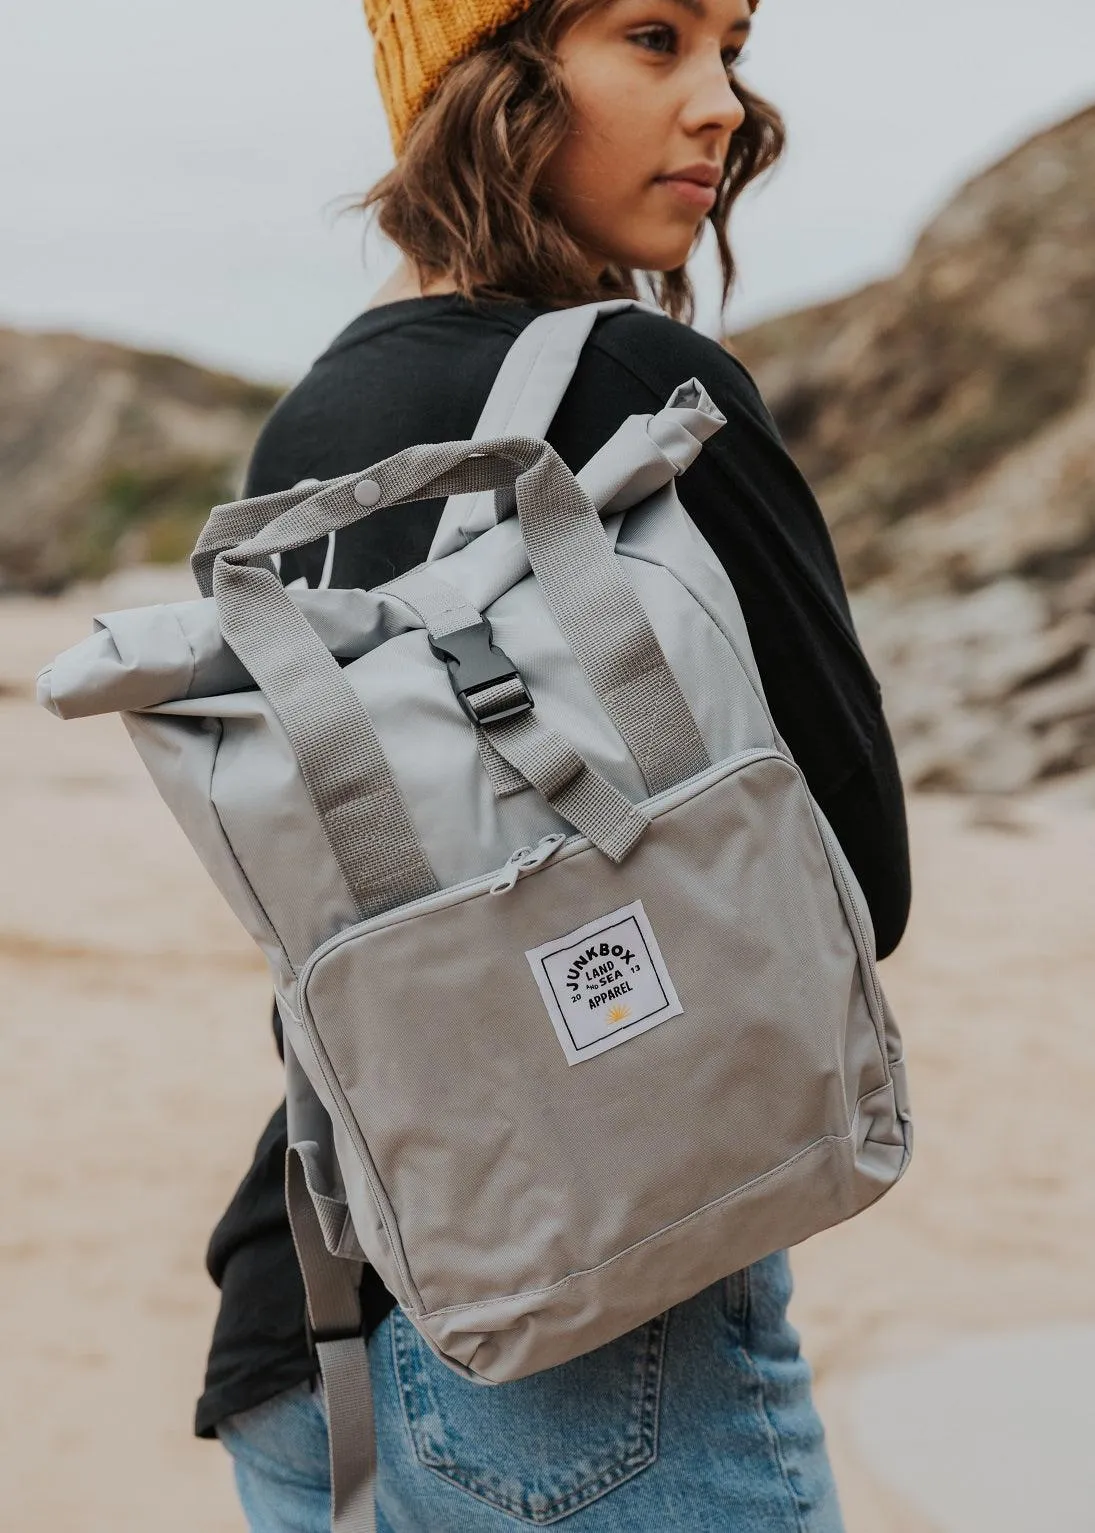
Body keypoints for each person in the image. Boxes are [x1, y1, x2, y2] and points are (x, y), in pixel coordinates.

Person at [198, 1, 912, 1528]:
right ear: (491, 76)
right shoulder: (633, 385)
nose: (720, 101)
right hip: (591, 1331)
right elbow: (853, 882)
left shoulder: (309, 423)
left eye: (730, 43)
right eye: (652, 38)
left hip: (301, 1327)